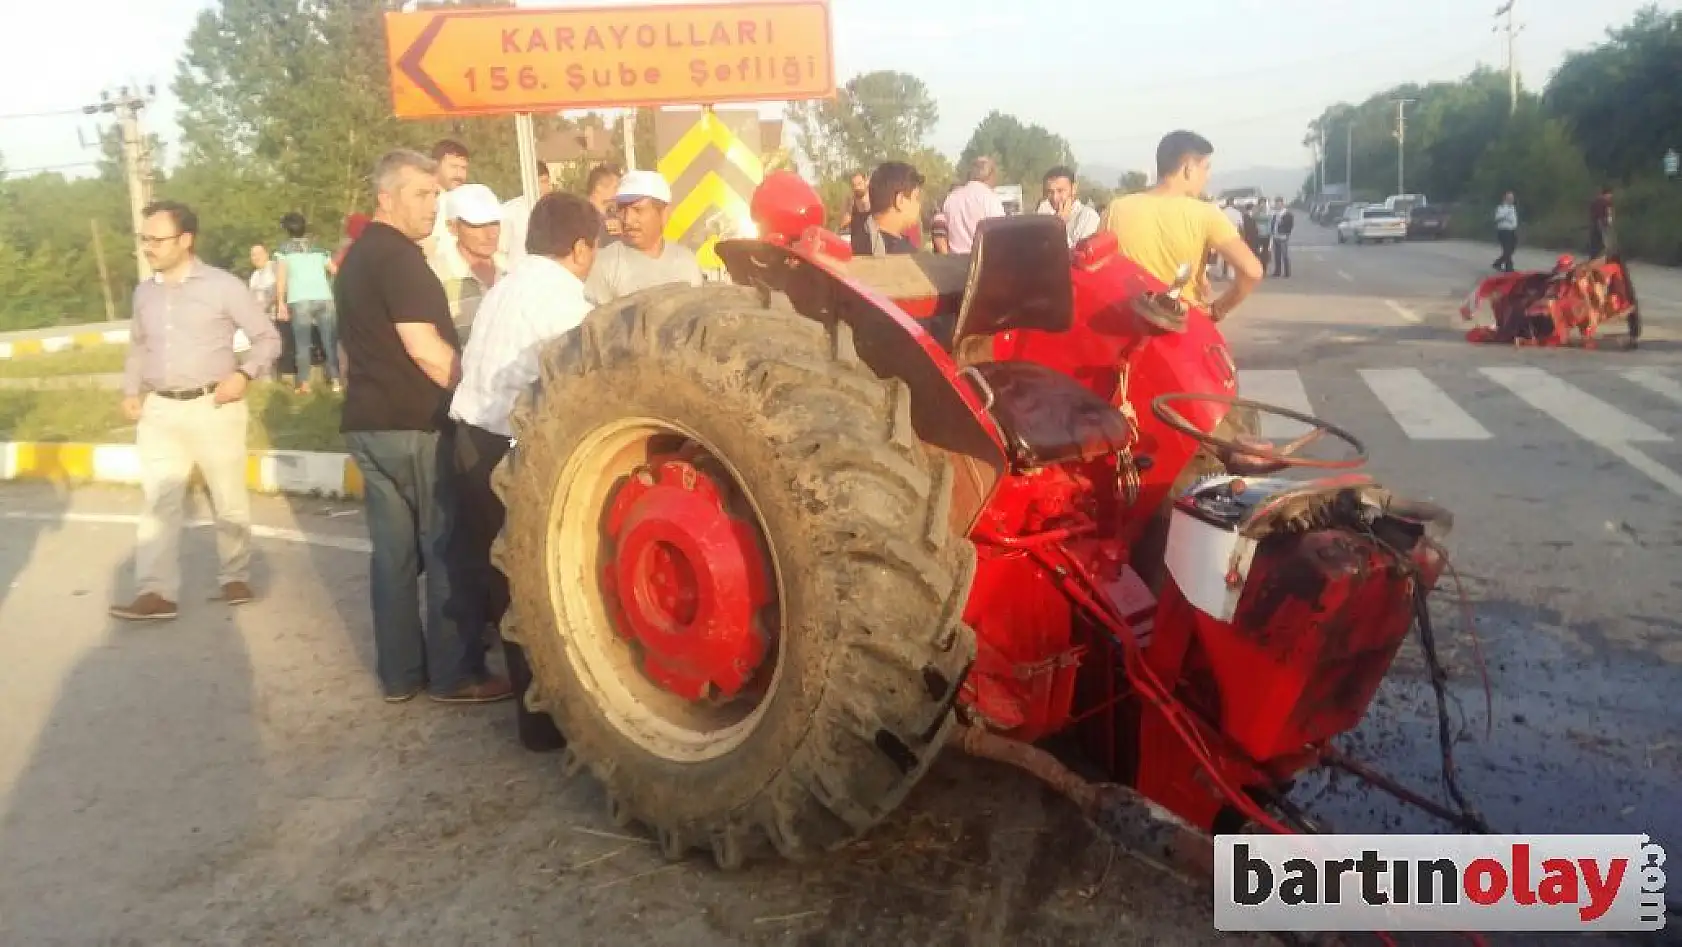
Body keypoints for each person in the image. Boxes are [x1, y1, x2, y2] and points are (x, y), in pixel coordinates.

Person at [335, 148, 510, 705]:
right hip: (415, 424)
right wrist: (477, 392)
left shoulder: (357, 258)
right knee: (446, 547)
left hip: (367, 424)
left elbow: (346, 351)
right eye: (420, 194)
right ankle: (457, 674)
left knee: (392, 555)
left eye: (435, 194)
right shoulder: (400, 261)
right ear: (386, 198)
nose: (432, 205)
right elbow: (426, 350)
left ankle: (400, 675)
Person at [447, 191, 602, 750]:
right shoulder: (561, 300)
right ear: (581, 247)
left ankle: (532, 717)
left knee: (500, 579)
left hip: (468, 436)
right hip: (503, 448)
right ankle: (546, 720)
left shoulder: (505, 286)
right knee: (531, 583)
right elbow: (592, 374)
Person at [109, 201, 282, 622]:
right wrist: (132, 389)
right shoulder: (143, 292)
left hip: (215, 405)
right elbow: (139, 345)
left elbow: (267, 339)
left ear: (186, 240)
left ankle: (235, 575)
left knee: (227, 498)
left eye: (157, 239)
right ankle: (155, 592)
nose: (148, 247)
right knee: (159, 501)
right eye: (144, 238)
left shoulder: (223, 287)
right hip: (161, 411)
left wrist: (244, 375)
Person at [1100, 130, 1263, 322]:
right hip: (1181, 326)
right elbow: (1252, 271)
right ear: (1189, 169)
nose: (1207, 176)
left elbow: (1099, 267)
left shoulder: (1117, 208)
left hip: (1127, 321)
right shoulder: (1206, 214)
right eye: (1206, 167)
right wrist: (1217, 310)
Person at [583, 169, 704, 305]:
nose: (628, 220)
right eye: (622, 210)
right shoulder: (605, 265)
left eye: (638, 210)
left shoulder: (686, 263)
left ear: (664, 214)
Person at [427, 182, 506, 345]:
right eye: (477, 225)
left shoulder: (513, 270)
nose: (490, 234)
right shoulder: (433, 275)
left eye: (494, 223)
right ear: (452, 227)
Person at [274, 212, 341, 393]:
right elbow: (335, 271)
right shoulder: (318, 248)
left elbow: (281, 278)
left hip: (299, 299)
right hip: (324, 297)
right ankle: (336, 380)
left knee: (303, 343)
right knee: (329, 341)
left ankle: (304, 383)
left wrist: (280, 302)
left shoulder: (284, 250)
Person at [849, 161, 925, 256]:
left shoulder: (855, 243)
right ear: (900, 201)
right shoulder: (905, 255)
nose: (918, 205)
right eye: (916, 198)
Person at [941, 155, 1008, 253]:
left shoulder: (951, 198)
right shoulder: (990, 199)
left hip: (954, 262)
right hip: (981, 263)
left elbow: (942, 233)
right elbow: (1000, 235)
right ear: (991, 176)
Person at [498, 161, 552, 267]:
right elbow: (500, 251)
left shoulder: (556, 211)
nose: (542, 187)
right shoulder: (510, 211)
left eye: (545, 181)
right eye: (539, 182)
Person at [424, 139, 471, 257]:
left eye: (463, 168)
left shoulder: (470, 203)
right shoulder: (423, 201)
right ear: (435, 166)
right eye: (453, 167)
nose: (459, 174)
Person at [1036, 166, 1101, 248]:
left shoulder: (1088, 216)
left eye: (1060, 191)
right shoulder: (1045, 215)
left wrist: (1060, 226)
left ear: (1073, 189)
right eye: (1050, 192)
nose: (1055, 197)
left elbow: (1075, 256)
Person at [584, 163, 623, 246]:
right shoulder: (582, 217)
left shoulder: (615, 217)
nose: (619, 192)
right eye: (615, 187)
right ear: (599, 187)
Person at [1493, 192, 1518, 272]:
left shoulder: (1513, 208)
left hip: (1511, 230)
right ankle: (1509, 267)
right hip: (1503, 231)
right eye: (1510, 198)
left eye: (1512, 198)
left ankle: (1498, 263)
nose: (1512, 200)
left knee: (1511, 249)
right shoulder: (1501, 208)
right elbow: (1497, 218)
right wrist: (1506, 215)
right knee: (1507, 249)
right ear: (1506, 199)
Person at [1269, 197, 1294, 278]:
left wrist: (1286, 233)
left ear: (1282, 204)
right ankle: (1277, 271)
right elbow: (1273, 223)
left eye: (1279, 203)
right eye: (1276, 203)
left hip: (1283, 236)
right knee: (1277, 255)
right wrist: (1272, 231)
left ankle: (1287, 272)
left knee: (1285, 255)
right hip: (1276, 236)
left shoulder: (1287, 214)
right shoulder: (1275, 214)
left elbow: (1290, 225)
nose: (1277, 205)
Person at [1588, 186, 1614, 257]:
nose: (1611, 196)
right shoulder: (1607, 202)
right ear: (1607, 194)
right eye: (1610, 194)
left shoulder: (1595, 201)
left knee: (1595, 242)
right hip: (1602, 223)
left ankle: (1594, 256)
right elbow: (1608, 213)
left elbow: (1592, 212)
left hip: (1594, 223)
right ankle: (1605, 256)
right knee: (1605, 242)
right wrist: (1609, 223)